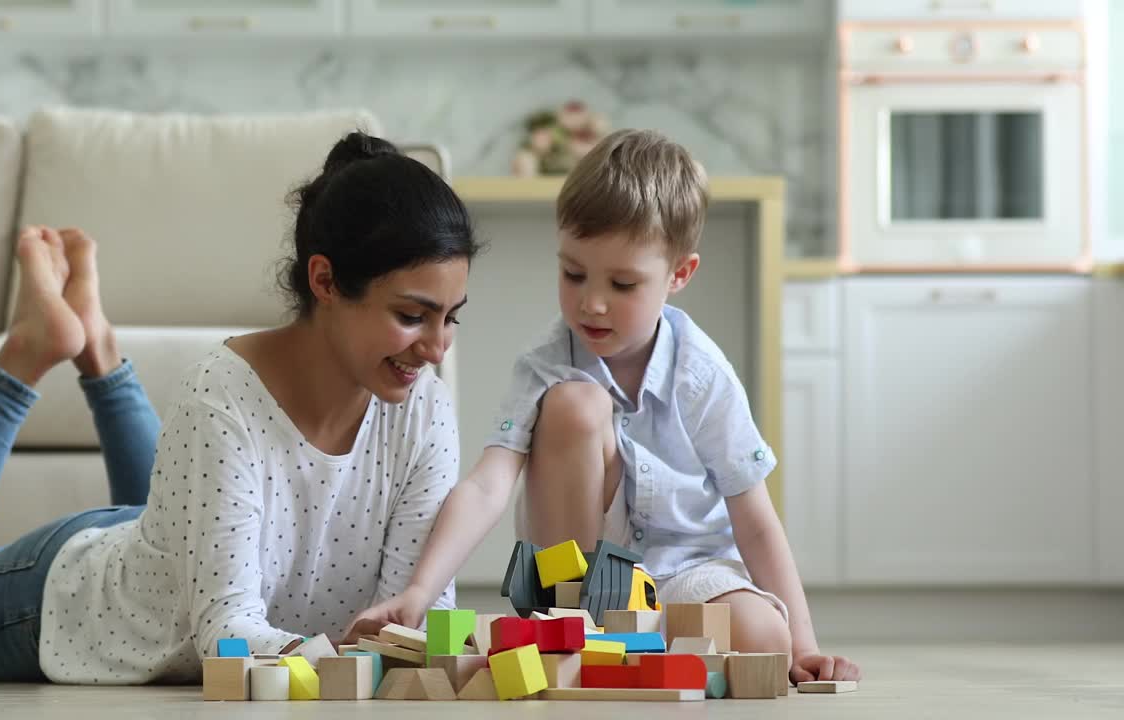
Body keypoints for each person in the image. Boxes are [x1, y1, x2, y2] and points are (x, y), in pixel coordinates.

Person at [0, 132, 479, 683]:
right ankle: (27, 355)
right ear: (325, 281)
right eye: (410, 315)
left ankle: (98, 348)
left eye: (450, 318)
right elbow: (228, 637)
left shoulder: (425, 410)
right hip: (71, 606)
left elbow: (418, 613)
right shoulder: (220, 399)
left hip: (170, 552)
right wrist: (351, 661)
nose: (435, 347)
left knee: (169, 543)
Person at [353, 129, 861, 684]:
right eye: (573, 274)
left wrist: (804, 644)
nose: (591, 303)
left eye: (622, 283)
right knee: (573, 403)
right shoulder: (547, 363)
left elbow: (754, 519)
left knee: (768, 638)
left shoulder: (702, 373)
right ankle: (571, 627)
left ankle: (625, 649)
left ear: (679, 276)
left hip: (684, 572)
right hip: (576, 575)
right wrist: (420, 592)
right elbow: (487, 485)